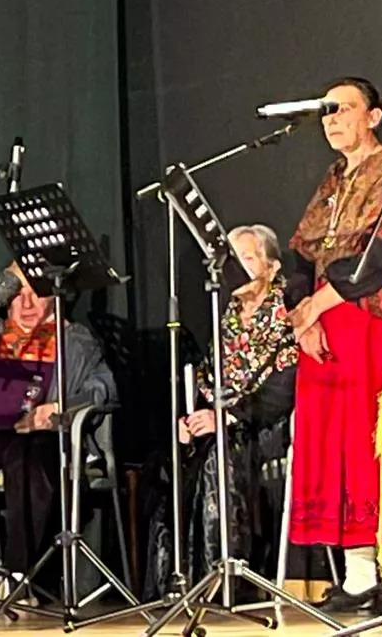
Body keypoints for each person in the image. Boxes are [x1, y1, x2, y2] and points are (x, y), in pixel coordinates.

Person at [284, 78, 382, 613]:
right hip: (321, 333)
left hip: (366, 322)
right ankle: (358, 574)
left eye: (342, 109)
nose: (331, 119)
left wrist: (319, 304)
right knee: (331, 449)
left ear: (375, 116)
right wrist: (301, 315)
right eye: (326, 112)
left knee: (371, 443)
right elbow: (296, 254)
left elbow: (379, 259)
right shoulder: (333, 178)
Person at [147, 225, 297, 597]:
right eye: (232, 261)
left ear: (272, 267)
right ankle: (177, 581)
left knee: (219, 458)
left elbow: (283, 389)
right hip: (221, 420)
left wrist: (228, 417)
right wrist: (192, 416)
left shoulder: (289, 312)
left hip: (266, 424)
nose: (237, 270)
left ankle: (226, 579)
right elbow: (206, 376)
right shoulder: (227, 314)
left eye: (247, 259)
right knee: (174, 458)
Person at [0, 261, 117, 599]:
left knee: (25, 456)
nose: (26, 305)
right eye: (18, 296)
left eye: (36, 295)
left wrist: (61, 408)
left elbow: (103, 389)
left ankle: (18, 571)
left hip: (43, 434)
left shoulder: (74, 339)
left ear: (55, 300)